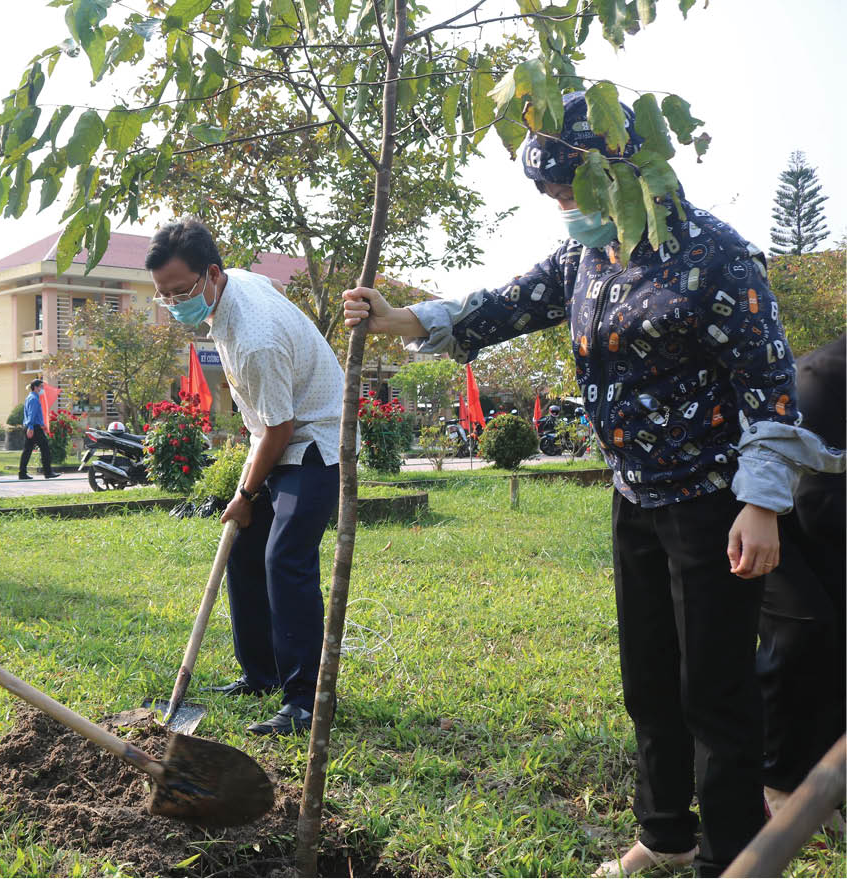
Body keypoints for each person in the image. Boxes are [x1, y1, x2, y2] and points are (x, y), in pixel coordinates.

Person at [342, 92, 842, 876]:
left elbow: (769, 385)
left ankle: (732, 857)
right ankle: (667, 832)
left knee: (716, 692)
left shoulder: (716, 254)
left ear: (621, 170)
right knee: (648, 678)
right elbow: (507, 303)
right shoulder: (591, 252)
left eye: (571, 195)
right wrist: (403, 320)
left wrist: (760, 502)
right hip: (636, 494)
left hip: (713, 499)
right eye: (553, 198)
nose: (563, 212)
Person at [147, 218, 342, 737]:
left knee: (285, 559)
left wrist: (244, 493)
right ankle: (260, 674)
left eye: (181, 291)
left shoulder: (255, 337)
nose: (173, 303)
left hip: (316, 439)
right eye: (163, 295)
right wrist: (247, 498)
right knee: (244, 547)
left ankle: (304, 701)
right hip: (276, 433)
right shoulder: (228, 288)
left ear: (211, 275)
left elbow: (281, 431)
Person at [757, 335, 845, 831]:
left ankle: (823, 781)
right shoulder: (824, 377)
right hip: (770, 520)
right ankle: (780, 784)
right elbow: (815, 496)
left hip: (830, 529)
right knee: (807, 630)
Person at [17, 378, 57, 480]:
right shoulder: (34, 399)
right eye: (41, 387)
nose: (42, 389)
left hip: (32, 427)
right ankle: (48, 473)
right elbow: (31, 414)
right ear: (35, 387)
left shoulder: (30, 397)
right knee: (45, 449)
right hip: (33, 428)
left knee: (27, 451)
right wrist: (30, 428)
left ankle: (22, 473)